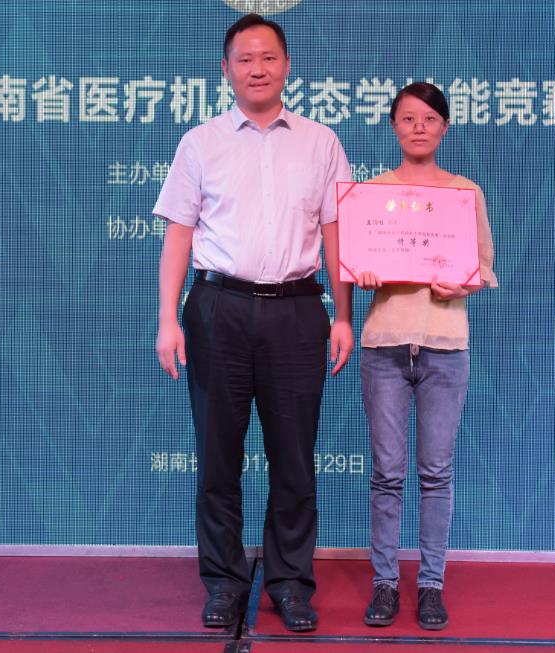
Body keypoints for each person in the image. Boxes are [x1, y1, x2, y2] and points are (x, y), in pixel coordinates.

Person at [153, 13, 353, 633]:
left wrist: (344, 316)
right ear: (226, 70)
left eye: (268, 57)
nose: (257, 69)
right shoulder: (200, 142)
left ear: (287, 66)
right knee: (218, 455)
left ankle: (290, 584)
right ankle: (224, 582)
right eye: (244, 59)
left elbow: (336, 235)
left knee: (294, 458)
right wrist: (167, 320)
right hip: (219, 309)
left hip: (298, 311)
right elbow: (178, 236)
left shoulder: (321, 142)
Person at [355, 82, 498, 631]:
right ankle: (385, 583)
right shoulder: (372, 194)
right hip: (385, 345)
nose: (419, 127)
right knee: (387, 473)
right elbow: (356, 263)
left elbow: (483, 267)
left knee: (436, 474)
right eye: (408, 118)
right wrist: (363, 272)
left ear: (444, 127)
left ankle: (432, 585)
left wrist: (464, 283)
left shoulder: (465, 193)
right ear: (393, 126)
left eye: (429, 119)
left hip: (445, 347)